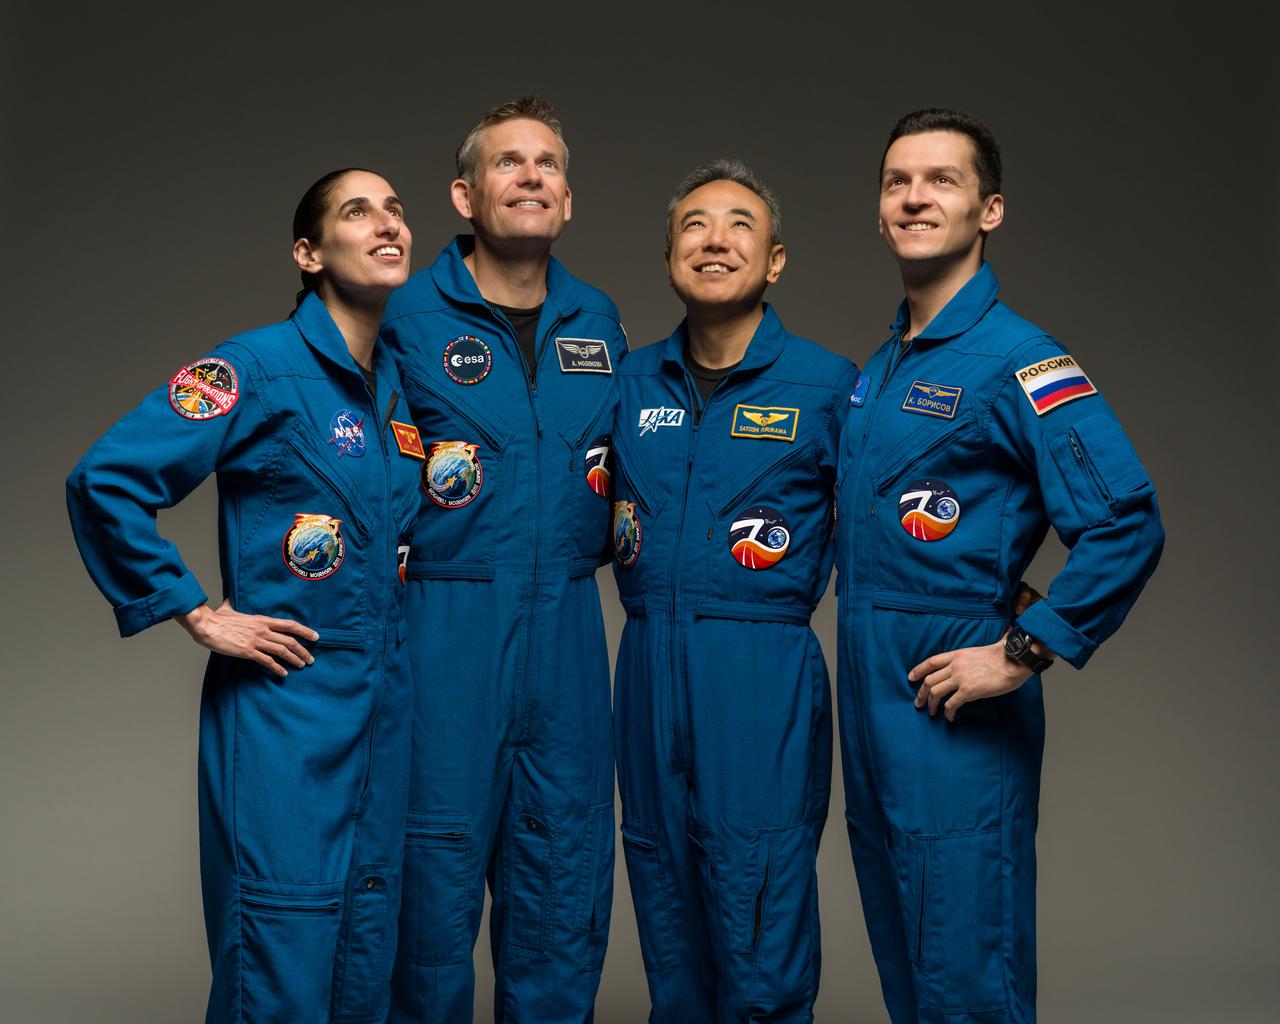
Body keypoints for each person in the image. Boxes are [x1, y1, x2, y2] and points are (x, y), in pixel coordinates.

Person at [66, 169, 425, 1023]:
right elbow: (107, 479)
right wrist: (196, 610)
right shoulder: (254, 366)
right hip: (285, 712)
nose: (387, 224)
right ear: (309, 253)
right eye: (356, 211)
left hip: (383, 710)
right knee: (281, 953)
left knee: (366, 947)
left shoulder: (398, 391)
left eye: (396, 210)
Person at [835, 109, 1165, 1023]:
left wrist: (1021, 648)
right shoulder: (883, 365)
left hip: (954, 694)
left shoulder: (1022, 360)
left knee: (964, 957)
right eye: (898, 181)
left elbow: (1127, 522)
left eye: (941, 180)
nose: (914, 197)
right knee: (905, 946)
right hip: (870, 684)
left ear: (990, 210)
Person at [379, 97, 627, 1022]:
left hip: (565, 635)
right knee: (429, 887)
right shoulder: (402, 313)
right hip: (444, 629)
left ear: (566, 201)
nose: (530, 176)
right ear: (464, 194)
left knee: (564, 883)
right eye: (507, 162)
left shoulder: (599, 321)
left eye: (548, 164)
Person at [609, 159, 858, 1022]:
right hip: (643, 667)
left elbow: (905, 516)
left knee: (759, 892)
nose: (716, 241)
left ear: (776, 260)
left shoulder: (831, 388)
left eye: (740, 225)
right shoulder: (629, 382)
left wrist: (1003, 598)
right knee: (662, 886)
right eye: (694, 226)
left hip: (758, 671)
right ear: (670, 255)